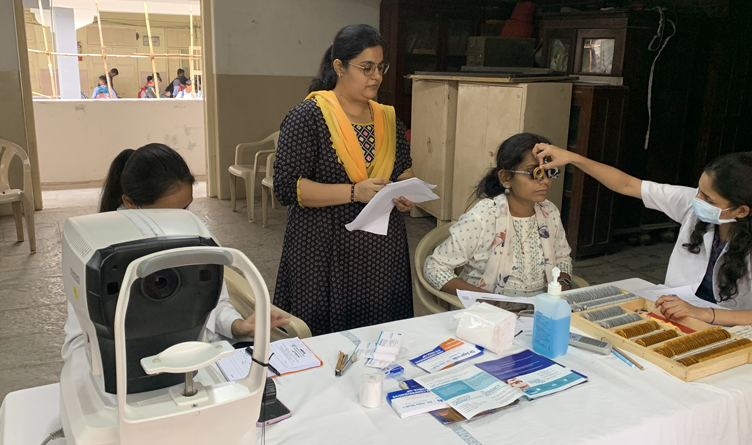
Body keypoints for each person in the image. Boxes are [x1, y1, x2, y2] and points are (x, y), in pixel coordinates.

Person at [534, 144, 752, 332]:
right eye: (699, 190)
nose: (696, 200)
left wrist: (704, 313)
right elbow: (628, 184)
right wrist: (573, 158)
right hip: (681, 317)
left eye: (708, 199)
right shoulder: (694, 205)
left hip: (739, 331)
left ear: (741, 211)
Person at [62, 144, 289, 362]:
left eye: (186, 208)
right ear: (130, 203)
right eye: (166, 213)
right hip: (129, 367)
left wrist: (237, 326)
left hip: (196, 358)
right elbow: (79, 342)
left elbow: (214, 305)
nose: (182, 220)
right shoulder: (100, 254)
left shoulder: (196, 236)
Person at [272, 24, 417, 336]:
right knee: (325, 340)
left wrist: (407, 191)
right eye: (366, 67)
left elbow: (402, 169)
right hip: (324, 248)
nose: (376, 76)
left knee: (379, 335)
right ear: (339, 67)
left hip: (380, 250)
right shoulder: (308, 117)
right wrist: (354, 192)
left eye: (380, 67)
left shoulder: (388, 119)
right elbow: (287, 187)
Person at [424, 133, 573, 298]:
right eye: (535, 173)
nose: (545, 181)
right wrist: (489, 301)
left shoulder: (549, 212)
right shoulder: (483, 217)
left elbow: (562, 258)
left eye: (550, 172)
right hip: (487, 309)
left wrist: (560, 289)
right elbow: (434, 268)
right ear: (505, 178)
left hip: (539, 308)